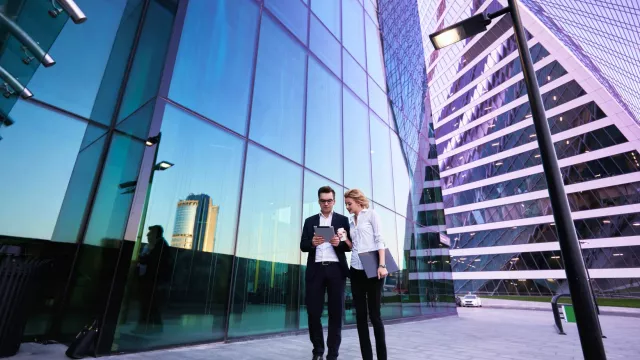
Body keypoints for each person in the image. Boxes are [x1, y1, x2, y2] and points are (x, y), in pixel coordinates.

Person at [300, 186, 352, 360]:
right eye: (323, 200)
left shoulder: (343, 220)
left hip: (336, 270)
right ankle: (318, 351)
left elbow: (350, 245)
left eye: (329, 200)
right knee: (313, 312)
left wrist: (340, 243)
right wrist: (312, 243)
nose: (326, 203)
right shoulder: (309, 221)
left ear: (334, 201)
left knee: (335, 313)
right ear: (318, 201)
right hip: (316, 270)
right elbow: (302, 245)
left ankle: (333, 354)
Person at [344, 189, 388, 360]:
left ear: (358, 201)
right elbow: (353, 245)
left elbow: (379, 239)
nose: (347, 207)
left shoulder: (371, 214)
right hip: (355, 269)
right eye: (346, 204)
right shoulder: (350, 221)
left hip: (373, 266)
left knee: (375, 316)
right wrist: (344, 239)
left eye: (349, 203)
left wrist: (382, 265)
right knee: (360, 317)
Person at [134, 225, 171, 334]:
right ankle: (153, 328)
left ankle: (145, 328)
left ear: (156, 234)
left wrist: (143, 258)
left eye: (150, 233)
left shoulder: (160, 247)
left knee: (148, 305)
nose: (147, 235)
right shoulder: (155, 245)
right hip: (152, 281)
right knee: (151, 306)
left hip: (154, 282)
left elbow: (155, 262)